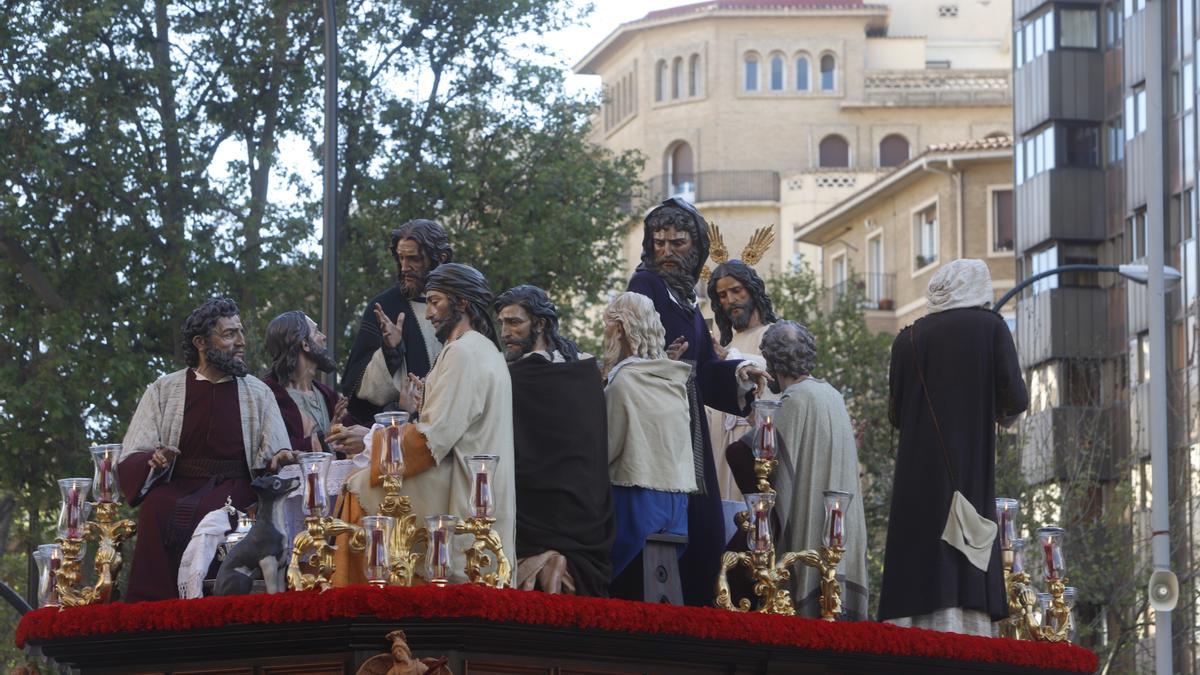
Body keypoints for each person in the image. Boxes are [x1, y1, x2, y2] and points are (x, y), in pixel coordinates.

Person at [335, 263, 515, 585]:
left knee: (358, 487)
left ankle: (362, 609)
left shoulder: (464, 353)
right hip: (477, 487)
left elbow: (430, 441)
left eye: (435, 301)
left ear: (461, 303)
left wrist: (372, 442)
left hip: (461, 492)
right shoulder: (485, 350)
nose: (429, 312)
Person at [627, 197, 767, 607]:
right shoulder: (646, 286)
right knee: (674, 523)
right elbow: (631, 352)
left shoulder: (685, 300)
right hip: (659, 423)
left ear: (697, 248)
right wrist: (659, 362)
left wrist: (738, 374)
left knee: (702, 527)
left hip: (688, 422)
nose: (667, 252)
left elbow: (705, 366)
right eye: (659, 242)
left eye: (679, 242)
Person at [879, 259, 1028, 635]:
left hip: (915, 475)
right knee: (963, 543)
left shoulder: (906, 339)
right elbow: (1016, 397)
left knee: (917, 537)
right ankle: (964, 622)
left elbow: (896, 413)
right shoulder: (990, 327)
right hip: (967, 465)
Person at [118, 297, 291, 602]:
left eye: (241, 332)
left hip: (238, 487)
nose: (241, 342)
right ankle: (153, 612)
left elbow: (277, 453)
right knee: (156, 507)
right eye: (229, 334)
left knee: (223, 513)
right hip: (179, 485)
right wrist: (154, 460)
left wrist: (277, 460)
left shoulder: (258, 392)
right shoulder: (164, 389)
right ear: (200, 343)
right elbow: (135, 453)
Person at [495, 285, 613, 596]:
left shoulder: (515, 377)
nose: (506, 332)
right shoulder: (586, 370)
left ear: (541, 323)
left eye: (514, 322)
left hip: (560, 510)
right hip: (573, 513)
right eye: (502, 323)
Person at [754, 320, 868, 619]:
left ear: (772, 360)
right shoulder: (833, 394)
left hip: (812, 522)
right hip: (839, 526)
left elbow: (762, 464)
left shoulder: (794, 399)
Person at [601, 292, 694, 597]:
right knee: (661, 590)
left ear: (618, 329)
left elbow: (607, 448)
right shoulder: (672, 381)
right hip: (677, 504)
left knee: (621, 589)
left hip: (634, 498)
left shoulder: (623, 382)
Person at [340, 219, 452, 426]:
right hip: (403, 435)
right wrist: (390, 352)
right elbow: (360, 390)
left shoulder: (461, 306)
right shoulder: (385, 308)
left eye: (414, 259)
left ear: (441, 258)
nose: (404, 267)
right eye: (400, 258)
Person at [705, 259, 779, 500]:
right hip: (721, 444)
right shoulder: (728, 345)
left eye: (736, 291)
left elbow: (775, 374)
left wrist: (731, 359)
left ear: (752, 290)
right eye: (722, 295)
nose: (730, 300)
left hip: (752, 441)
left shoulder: (774, 334)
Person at [262, 311, 362, 457]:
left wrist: (399, 409)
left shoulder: (328, 396)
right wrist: (320, 440)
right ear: (305, 344)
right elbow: (269, 451)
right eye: (316, 331)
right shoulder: (268, 397)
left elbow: (358, 437)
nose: (324, 337)